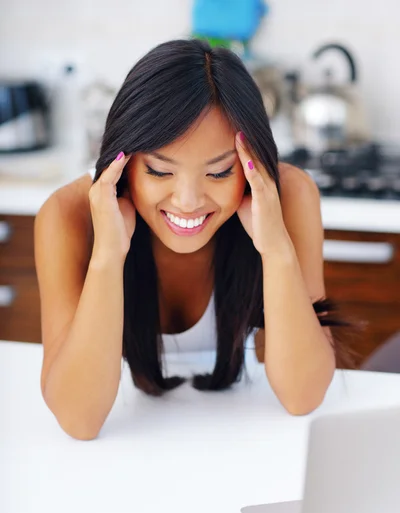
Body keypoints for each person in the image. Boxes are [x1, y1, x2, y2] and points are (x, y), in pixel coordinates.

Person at [34, 38, 349, 441]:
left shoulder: (289, 197)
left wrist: (276, 250)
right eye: (159, 172)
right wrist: (108, 256)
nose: (187, 202)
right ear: (123, 162)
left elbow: (302, 397)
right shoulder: (68, 217)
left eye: (219, 173)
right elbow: (79, 419)